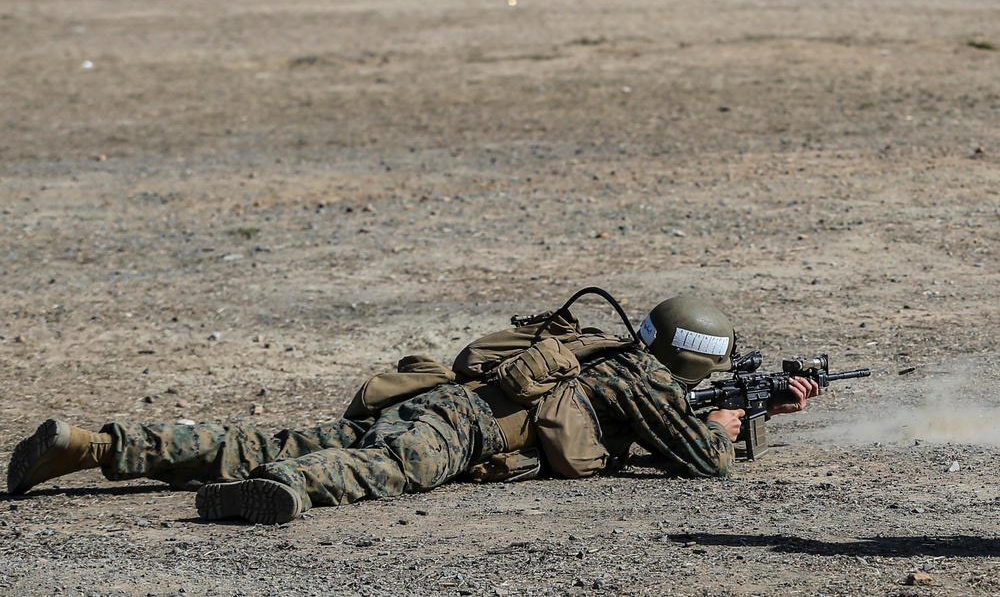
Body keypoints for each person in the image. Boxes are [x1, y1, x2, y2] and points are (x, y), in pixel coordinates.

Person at [5, 292, 819, 525]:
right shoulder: (639, 379)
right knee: (386, 470)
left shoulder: (600, 349)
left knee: (254, 434)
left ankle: (94, 442)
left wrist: (756, 406)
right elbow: (703, 458)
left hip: (435, 396)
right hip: (455, 428)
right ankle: (290, 487)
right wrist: (727, 423)